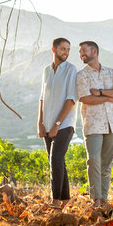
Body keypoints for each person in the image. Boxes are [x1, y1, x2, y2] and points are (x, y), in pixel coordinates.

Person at [75, 40, 113, 207]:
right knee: (94, 161)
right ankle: (95, 199)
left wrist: (101, 92)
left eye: (83, 50)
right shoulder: (82, 75)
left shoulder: (111, 73)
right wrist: (109, 97)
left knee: (106, 163)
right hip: (92, 125)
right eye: (80, 51)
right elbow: (85, 98)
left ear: (94, 51)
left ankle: (103, 199)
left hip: (112, 124)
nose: (81, 54)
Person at [38, 37, 78, 208]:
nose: (66, 52)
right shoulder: (46, 70)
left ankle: (55, 200)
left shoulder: (71, 70)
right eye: (63, 49)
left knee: (55, 159)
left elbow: (71, 99)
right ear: (53, 49)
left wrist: (57, 124)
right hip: (46, 123)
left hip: (65, 124)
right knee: (57, 160)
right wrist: (40, 122)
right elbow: (42, 98)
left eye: (68, 49)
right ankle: (65, 198)